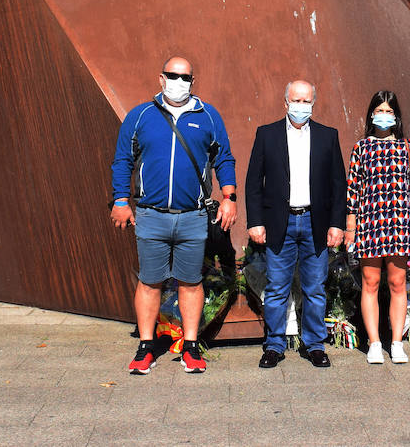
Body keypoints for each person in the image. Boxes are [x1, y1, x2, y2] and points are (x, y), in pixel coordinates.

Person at [111, 56, 237, 375]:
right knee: (150, 282)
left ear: (193, 81)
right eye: (173, 75)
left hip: (192, 216)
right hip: (152, 215)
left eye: (186, 77)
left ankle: (191, 347)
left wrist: (229, 197)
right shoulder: (141, 116)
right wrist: (120, 200)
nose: (179, 82)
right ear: (161, 78)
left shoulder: (207, 116)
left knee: (191, 282)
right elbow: (122, 160)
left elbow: (224, 158)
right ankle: (146, 346)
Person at [246, 79, 348, 369]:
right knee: (277, 287)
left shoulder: (328, 136)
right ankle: (274, 345)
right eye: (296, 100)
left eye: (306, 101)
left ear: (314, 104)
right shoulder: (267, 135)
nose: (301, 106)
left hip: (315, 222)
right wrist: (256, 221)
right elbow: (254, 182)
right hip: (281, 222)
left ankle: (314, 344)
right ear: (285, 101)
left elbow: (338, 184)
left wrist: (337, 224)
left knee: (315, 288)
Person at [345, 90, 410, 364]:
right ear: (371, 115)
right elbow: (353, 190)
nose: (384, 115)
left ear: (397, 116)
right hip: (370, 223)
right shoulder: (361, 148)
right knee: (370, 282)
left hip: (400, 222)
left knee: (397, 282)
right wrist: (351, 227)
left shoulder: (408, 147)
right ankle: (375, 343)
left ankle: (396, 342)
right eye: (379, 110)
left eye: (389, 111)